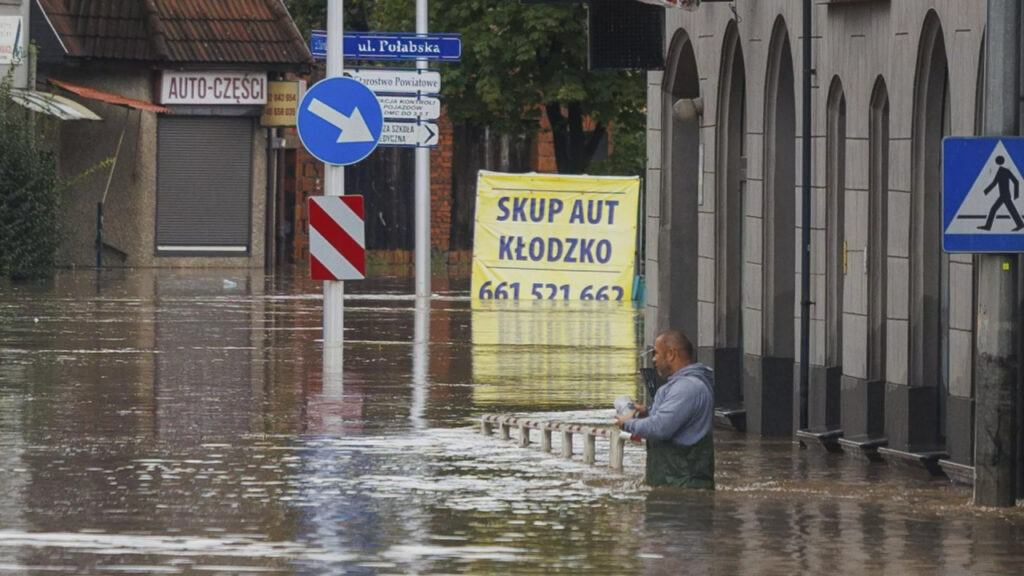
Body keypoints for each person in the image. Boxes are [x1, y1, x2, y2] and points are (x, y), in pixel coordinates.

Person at [615, 329, 715, 489]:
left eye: (656, 353)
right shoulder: (678, 386)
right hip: (673, 487)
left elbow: (660, 428)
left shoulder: (687, 388)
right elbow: (671, 421)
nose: (653, 359)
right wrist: (646, 412)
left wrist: (628, 423)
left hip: (684, 493)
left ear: (671, 354)